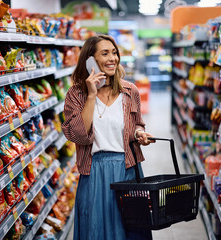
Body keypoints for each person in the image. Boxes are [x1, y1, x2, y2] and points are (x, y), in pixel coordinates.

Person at [61, 34, 155, 240]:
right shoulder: (76, 95)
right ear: (90, 60)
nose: (113, 58)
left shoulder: (130, 91)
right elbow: (78, 135)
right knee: (96, 230)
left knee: (130, 230)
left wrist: (139, 132)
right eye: (105, 53)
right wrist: (92, 94)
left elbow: (137, 122)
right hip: (95, 171)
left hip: (128, 169)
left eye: (114, 52)